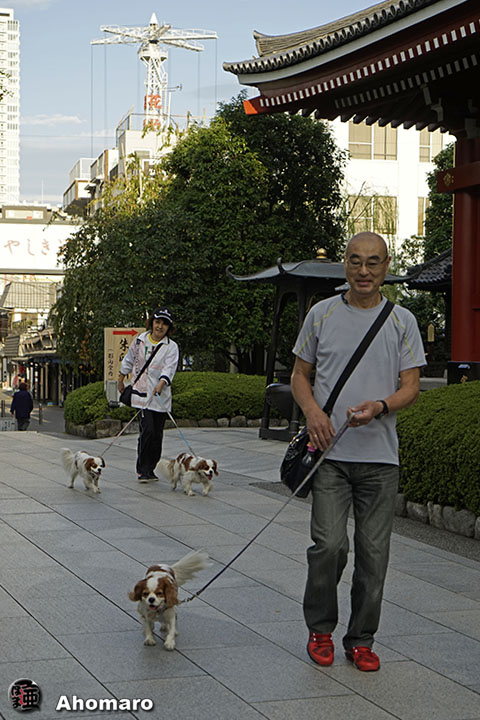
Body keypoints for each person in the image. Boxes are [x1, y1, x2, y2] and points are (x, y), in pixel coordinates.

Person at [291, 231, 425, 672]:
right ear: (344, 264)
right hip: (329, 456)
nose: (364, 271)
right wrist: (313, 412)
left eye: (373, 262)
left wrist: (381, 406)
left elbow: (411, 387)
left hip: (381, 459)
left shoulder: (402, 321)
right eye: (355, 261)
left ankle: (361, 639)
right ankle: (320, 630)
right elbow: (300, 375)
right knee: (329, 546)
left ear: (386, 266)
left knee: (374, 555)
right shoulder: (322, 314)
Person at [118, 307, 179, 483]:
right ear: (151, 322)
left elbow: (169, 368)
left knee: (157, 434)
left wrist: (161, 383)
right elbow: (129, 359)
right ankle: (142, 469)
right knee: (148, 430)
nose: (160, 326)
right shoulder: (139, 340)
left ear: (169, 328)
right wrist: (121, 379)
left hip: (160, 396)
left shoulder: (171, 347)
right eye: (157, 322)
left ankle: (151, 467)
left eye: (164, 324)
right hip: (141, 395)